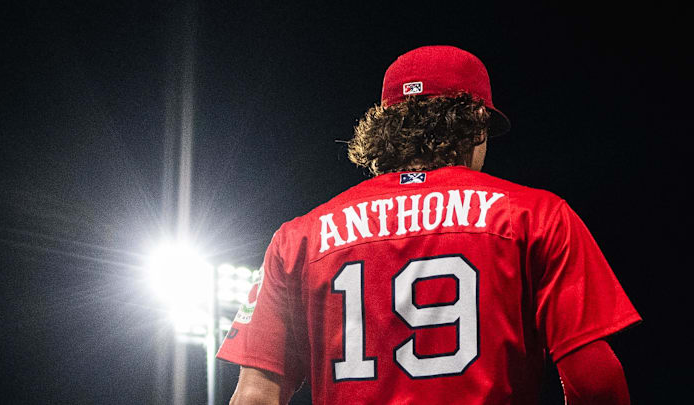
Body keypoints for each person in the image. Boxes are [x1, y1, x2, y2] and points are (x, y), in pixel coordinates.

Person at [216, 45, 641, 405]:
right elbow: (595, 379)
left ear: (385, 125)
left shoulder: (300, 237)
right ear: (475, 120)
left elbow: (255, 396)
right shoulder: (536, 214)